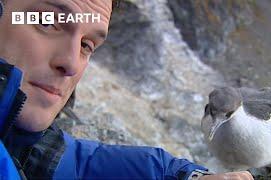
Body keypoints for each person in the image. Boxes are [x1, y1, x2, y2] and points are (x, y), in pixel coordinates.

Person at [0, 0, 253, 179]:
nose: (71, 63)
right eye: (48, 22)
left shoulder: (13, 136)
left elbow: (71, 161)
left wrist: (187, 177)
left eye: (87, 45)